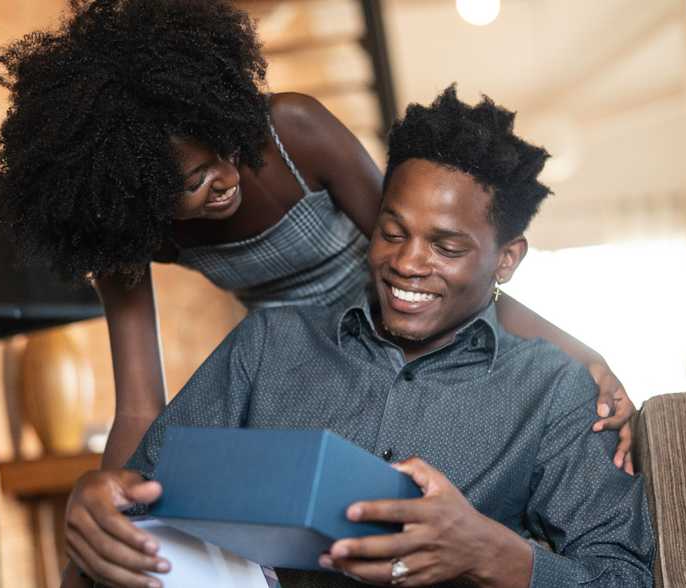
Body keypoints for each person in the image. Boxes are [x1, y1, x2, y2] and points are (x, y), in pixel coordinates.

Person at [0, 0, 635, 473]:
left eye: (225, 148)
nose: (229, 177)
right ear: (138, 195)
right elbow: (140, 409)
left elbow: (430, 271)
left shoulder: (294, 131)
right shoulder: (134, 237)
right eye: (198, 179)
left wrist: (583, 354)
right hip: (307, 371)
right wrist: (102, 520)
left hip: (409, 329)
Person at [64, 86, 654, 588]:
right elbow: (147, 484)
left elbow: (625, 576)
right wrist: (96, 499)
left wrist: (489, 551)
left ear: (507, 261)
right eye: (391, 232)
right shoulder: (267, 345)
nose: (408, 264)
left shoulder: (554, 395)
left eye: (446, 247)